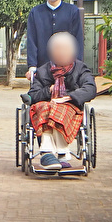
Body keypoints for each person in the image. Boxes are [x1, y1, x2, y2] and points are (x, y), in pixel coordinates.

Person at [26, 31, 97, 170]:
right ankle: (50, 153)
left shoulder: (80, 69)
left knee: (58, 110)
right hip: (47, 106)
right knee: (46, 109)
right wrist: (49, 90)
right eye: (58, 49)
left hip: (70, 106)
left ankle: (56, 153)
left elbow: (90, 88)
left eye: (65, 49)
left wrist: (70, 97)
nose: (62, 52)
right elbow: (33, 95)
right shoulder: (43, 71)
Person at [25, 0, 85, 81]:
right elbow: (31, 40)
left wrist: (77, 66)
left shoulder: (72, 11)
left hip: (67, 69)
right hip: (42, 68)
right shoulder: (36, 12)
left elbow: (78, 39)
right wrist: (32, 66)